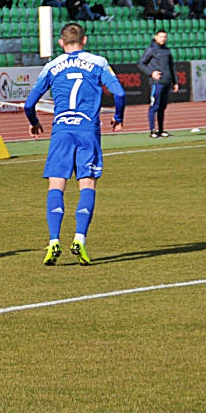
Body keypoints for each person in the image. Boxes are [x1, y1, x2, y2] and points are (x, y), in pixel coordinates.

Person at [24, 23, 126, 267]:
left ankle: (53, 240)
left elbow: (29, 103)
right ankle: (79, 238)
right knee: (87, 185)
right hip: (87, 130)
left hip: (61, 130)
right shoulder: (98, 62)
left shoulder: (51, 66)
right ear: (85, 40)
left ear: (61, 43)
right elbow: (120, 94)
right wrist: (119, 117)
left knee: (56, 186)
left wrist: (34, 121)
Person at [138, 29, 178, 138]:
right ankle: (152, 131)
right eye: (161, 36)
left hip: (167, 82)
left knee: (162, 107)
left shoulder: (167, 51)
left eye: (165, 37)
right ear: (156, 37)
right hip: (157, 83)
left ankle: (161, 130)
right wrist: (151, 73)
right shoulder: (151, 50)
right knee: (154, 106)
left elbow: (172, 66)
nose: (163, 39)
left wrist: (175, 82)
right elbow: (141, 64)